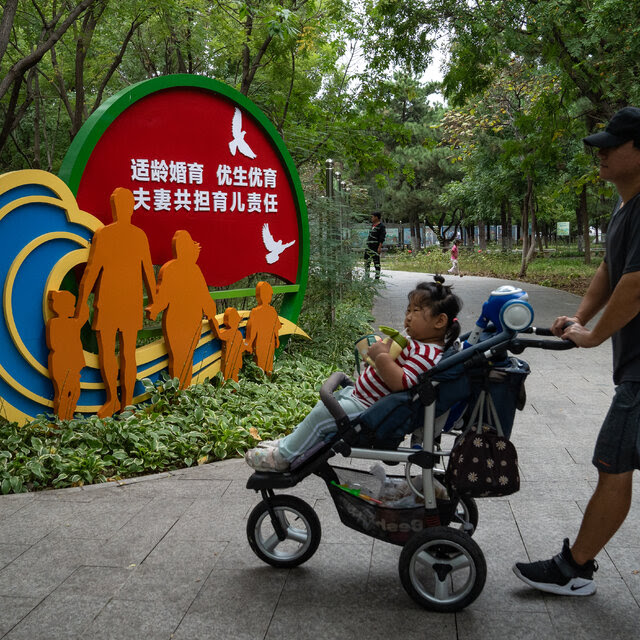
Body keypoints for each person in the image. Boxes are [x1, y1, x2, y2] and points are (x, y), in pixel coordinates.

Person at [513, 106, 640, 596]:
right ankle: (576, 566)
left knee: (614, 462)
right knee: (618, 463)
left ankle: (574, 568)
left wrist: (593, 336)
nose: (601, 153)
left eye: (613, 145)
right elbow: (611, 269)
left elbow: (635, 286)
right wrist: (582, 316)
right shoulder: (625, 204)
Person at [245, 275, 462, 472]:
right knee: (322, 408)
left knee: (321, 418)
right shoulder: (415, 342)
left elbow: (401, 382)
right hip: (360, 397)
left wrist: (382, 357)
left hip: (369, 409)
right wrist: (377, 358)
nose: (408, 317)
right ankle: (289, 443)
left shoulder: (427, 353)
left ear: (439, 321)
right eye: (408, 309)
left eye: (416, 311)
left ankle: (282, 457)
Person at [75, 188, 156, 417]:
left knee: (122, 353)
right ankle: (114, 400)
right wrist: (82, 302)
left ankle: (124, 402)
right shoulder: (108, 235)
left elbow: (147, 271)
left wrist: (154, 301)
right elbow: (92, 271)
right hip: (111, 301)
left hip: (122, 302)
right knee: (112, 352)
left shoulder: (133, 235)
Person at [146, 229, 219, 389]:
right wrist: (155, 309)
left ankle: (181, 390)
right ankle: (181, 390)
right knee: (182, 357)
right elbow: (165, 297)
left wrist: (155, 309)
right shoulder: (183, 269)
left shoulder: (184, 269)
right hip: (185, 321)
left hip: (185, 321)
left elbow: (202, 296)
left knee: (182, 357)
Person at [46, 290, 85, 420]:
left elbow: (83, 317)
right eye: (71, 306)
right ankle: (62, 419)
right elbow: (54, 344)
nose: (74, 309)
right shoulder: (55, 323)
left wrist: (84, 298)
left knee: (75, 391)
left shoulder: (73, 323)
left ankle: (69, 416)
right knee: (63, 392)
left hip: (74, 364)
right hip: (61, 364)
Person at [364, 211, 386, 279]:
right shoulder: (372, 225)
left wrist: (379, 247)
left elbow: (382, 237)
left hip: (375, 247)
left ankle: (377, 278)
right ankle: (367, 277)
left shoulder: (381, 226)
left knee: (376, 262)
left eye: (372, 217)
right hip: (368, 246)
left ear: (376, 217)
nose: (371, 218)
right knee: (366, 262)